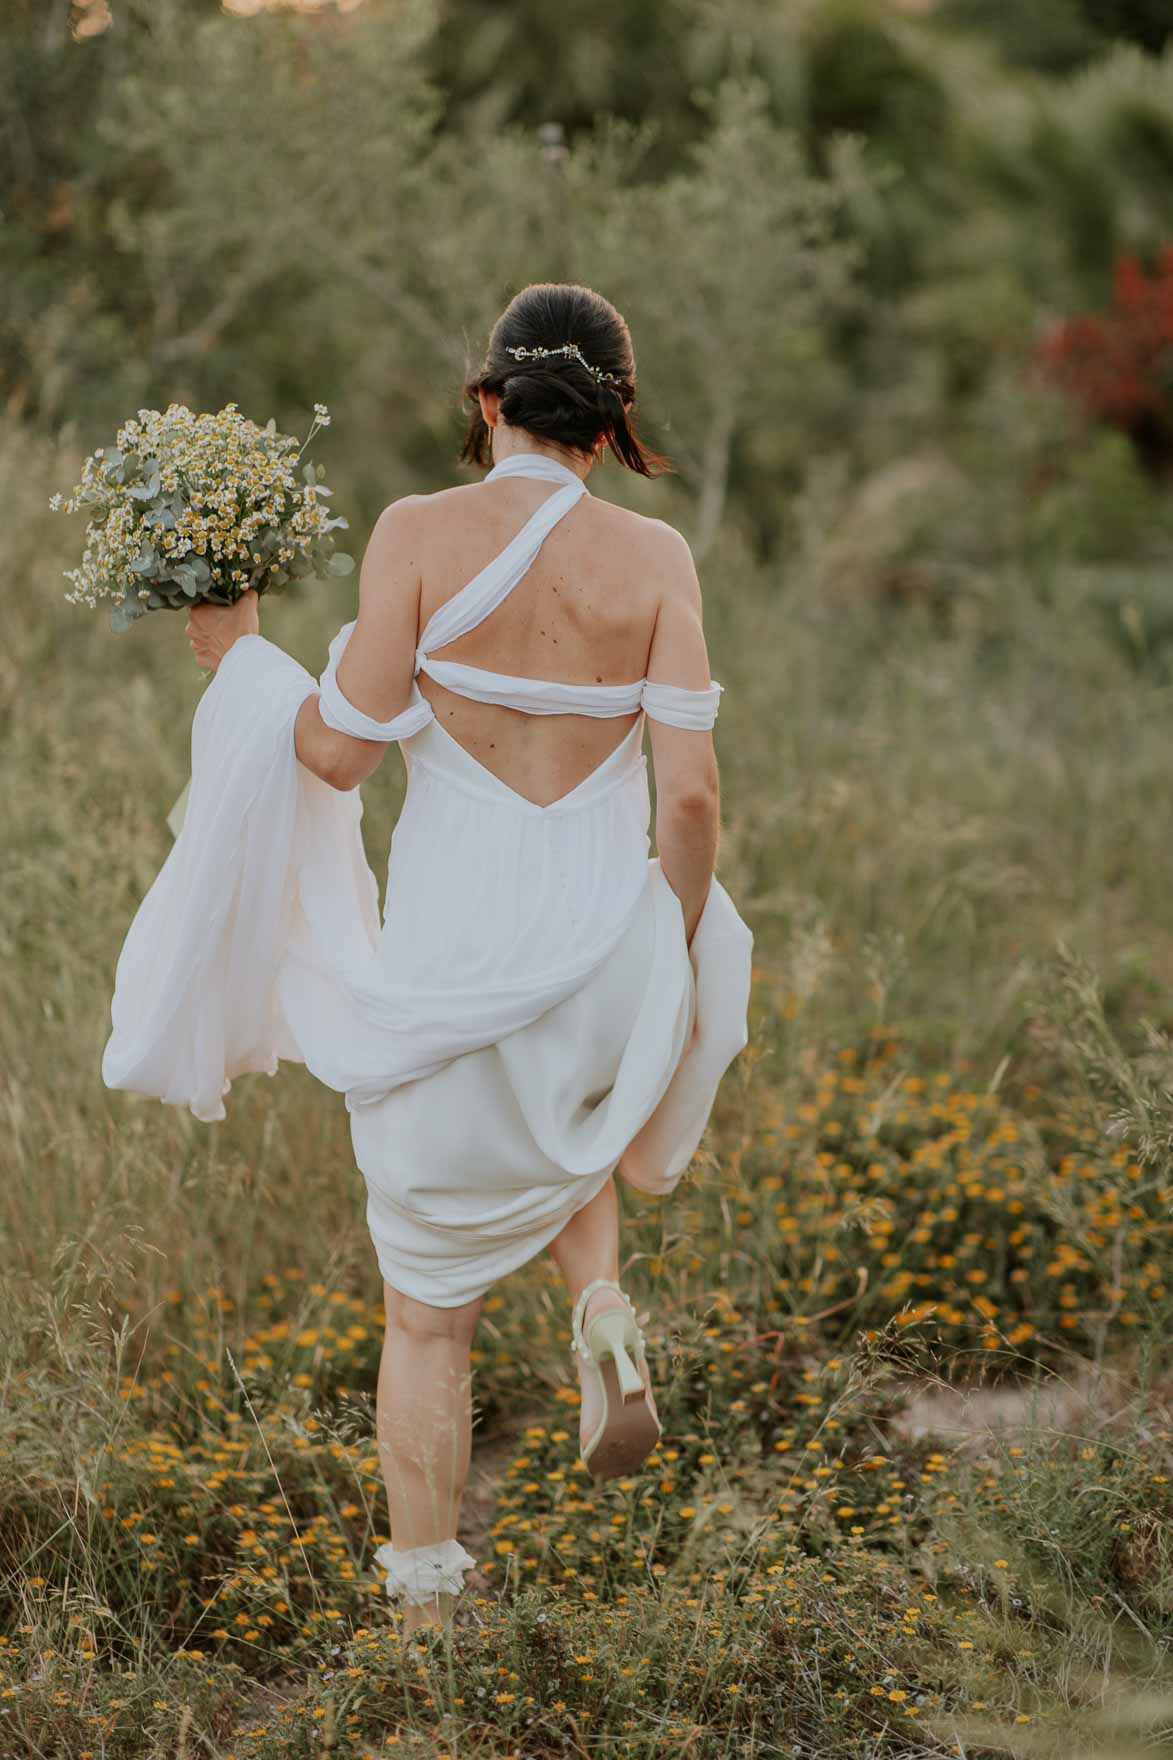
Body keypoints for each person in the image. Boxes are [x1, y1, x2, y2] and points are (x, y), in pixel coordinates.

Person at [107, 280, 752, 1635]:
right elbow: (689, 804)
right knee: (568, 1125)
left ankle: (425, 1606)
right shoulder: (658, 564)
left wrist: (237, 661)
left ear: (485, 402)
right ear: (613, 419)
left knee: (427, 1315)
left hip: (451, 967)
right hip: (594, 957)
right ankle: (601, 1307)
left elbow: (337, 750)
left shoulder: (416, 532)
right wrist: (670, 949)